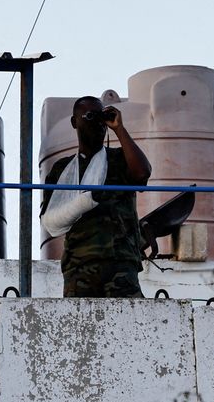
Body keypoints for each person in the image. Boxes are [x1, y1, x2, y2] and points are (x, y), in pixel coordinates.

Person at [39, 96, 153, 298]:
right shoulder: (61, 169)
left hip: (121, 262)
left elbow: (142, 173)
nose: (98, 123)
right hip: (79, 265)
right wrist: (85, 201)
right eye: (90, 116)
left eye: (101, 117)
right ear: (75, 122)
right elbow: (50, 221)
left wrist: (119, 129)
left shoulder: (119, 159)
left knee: (130, 326)